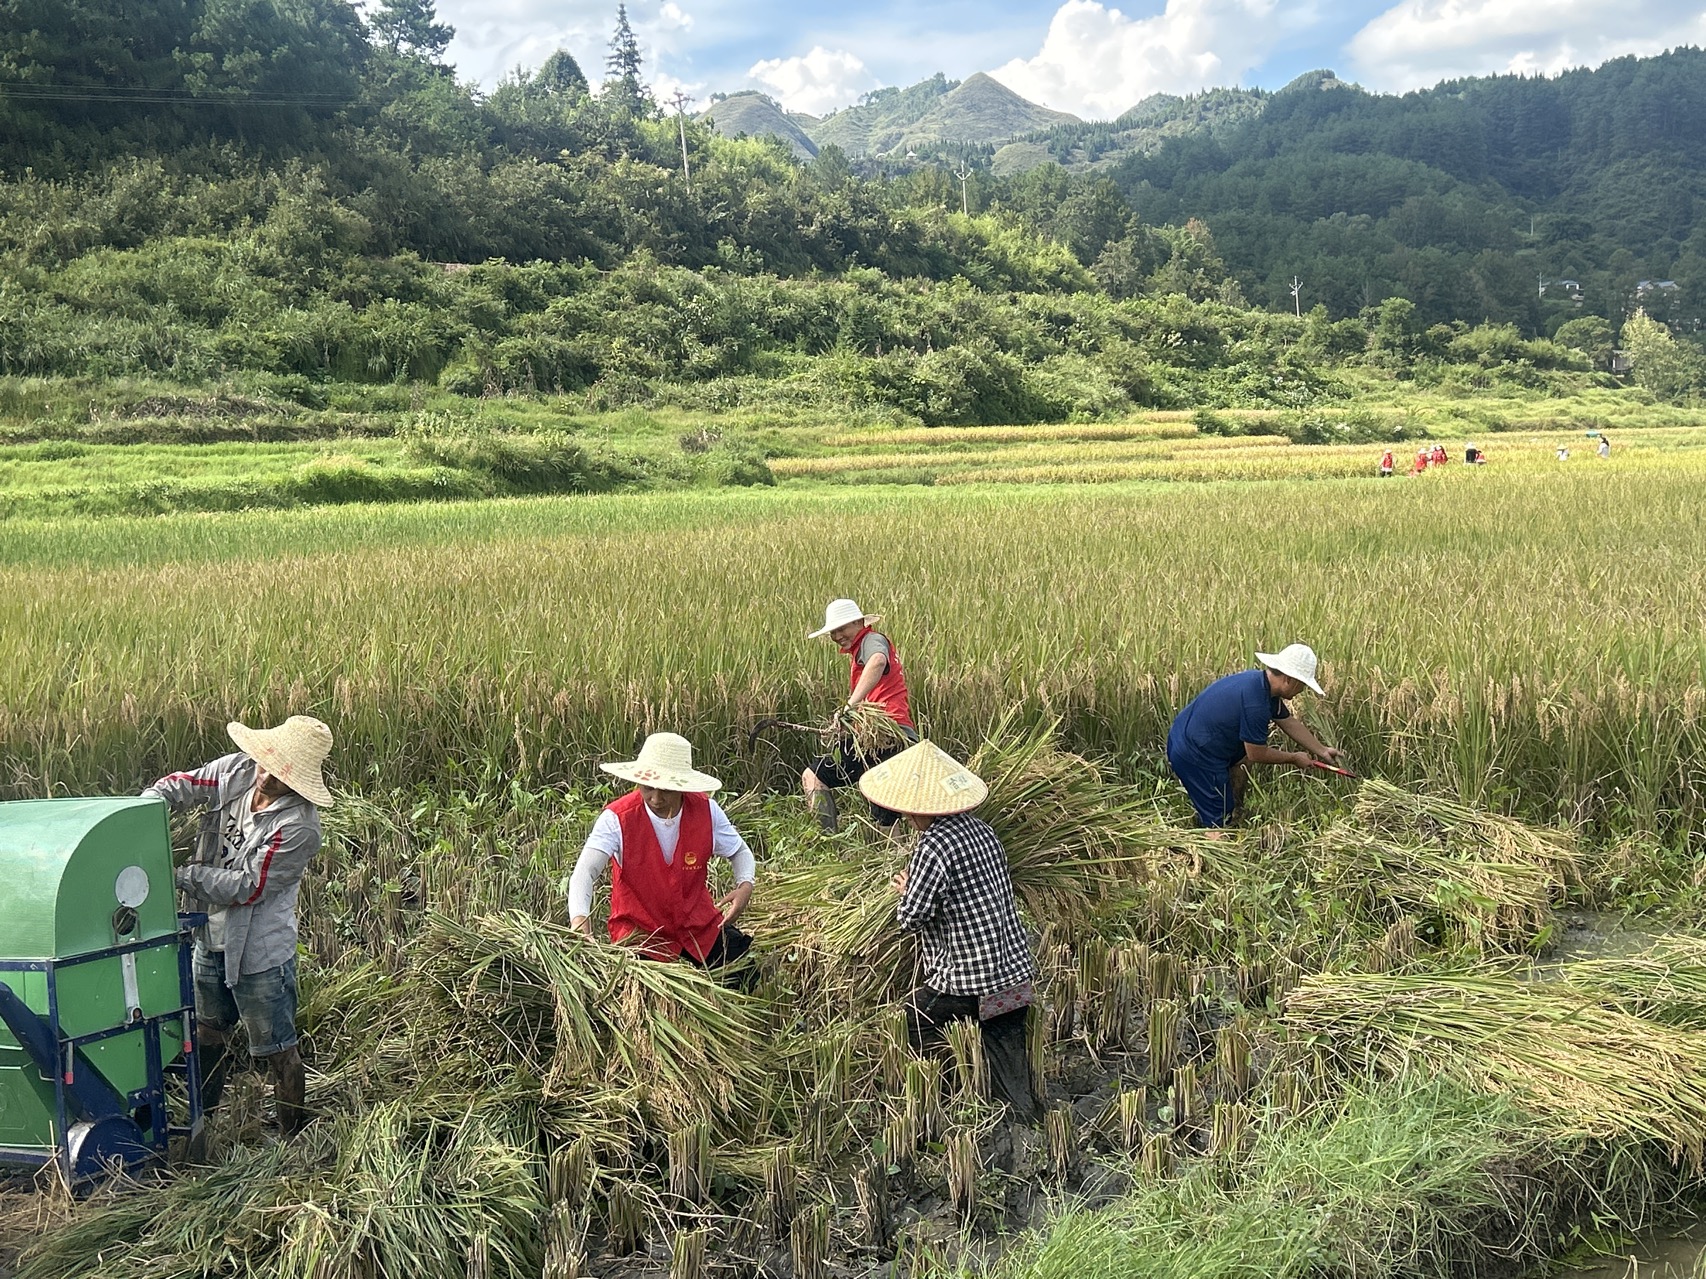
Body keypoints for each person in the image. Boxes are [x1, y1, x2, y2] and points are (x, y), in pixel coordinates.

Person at [145, 715, 334, 1136]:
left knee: (276, 1048)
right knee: (207, 1031)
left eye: (282, 775)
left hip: (258, 950)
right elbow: (182, 783)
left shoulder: (298, 827)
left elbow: (248, 887)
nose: (266, 777)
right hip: (208, 938)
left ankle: (291, 1138)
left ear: (299, 782)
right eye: (267, 764)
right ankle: (204, 1123)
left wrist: (182, 875)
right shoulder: (236, 770)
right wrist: (144, 809)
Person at [861, 740, 1040, 1122]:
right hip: (1014, 974)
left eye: (912, 810)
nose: (908, 818)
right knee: (1008, 1055)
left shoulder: (934, 846)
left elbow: (912, 917)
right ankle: (1028, 1121)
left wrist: (908, 891)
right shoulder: (984, 831)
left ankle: (942, 1094)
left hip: (967, 981)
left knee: (913, 1020)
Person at [568, 732, 756, 981]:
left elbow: (740, 852)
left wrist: (745, 886)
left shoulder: (706, 812)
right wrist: (580, 924)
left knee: (743, 974)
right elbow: (584, 873)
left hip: (696, 926)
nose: (655, 799)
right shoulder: (617, 818)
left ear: (682, 786)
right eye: (647, 788)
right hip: (640, 934)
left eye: (666, 790)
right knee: (643, 995)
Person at [1166, 645, 1344, 831]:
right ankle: (1217, 843)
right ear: (1289, 680)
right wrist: (1294, 758)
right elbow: (1256, 753)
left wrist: (1322, 750)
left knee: (1241, 764)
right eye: (1303, 685)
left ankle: (1235, 812)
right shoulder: (1256, 704)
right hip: (1194, 753)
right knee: (1217, 822)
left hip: (1191, 736)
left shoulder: (1260, 684)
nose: (1303, 690)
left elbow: (1288, 722)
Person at [803, 598, 919, 832]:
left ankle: (827, 842)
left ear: (858, 622)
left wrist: (849, 706)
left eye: (841, 629)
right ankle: (895, 857)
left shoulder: (871, 641)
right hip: (885, 737)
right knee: (884, 805)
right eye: (833, 632)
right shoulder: (859, 651)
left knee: (814, 775)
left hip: (887, 736)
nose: (837, 636)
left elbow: (877, 662)